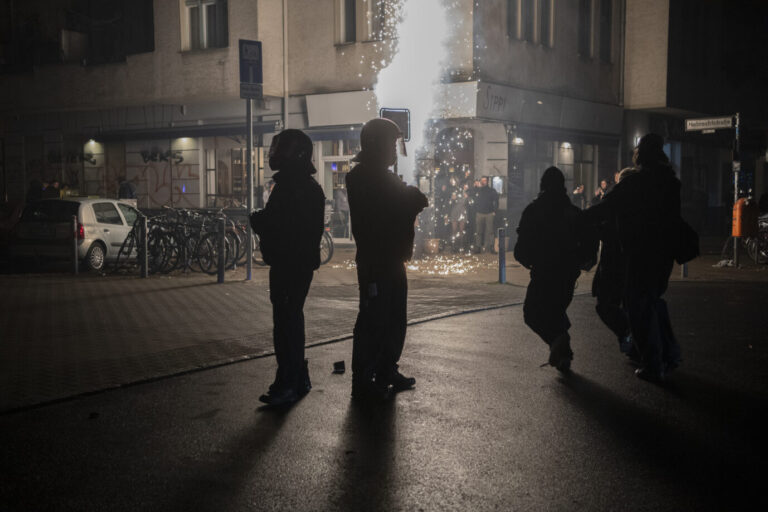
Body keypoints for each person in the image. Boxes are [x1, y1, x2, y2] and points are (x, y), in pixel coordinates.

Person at [585, 134, 682, 382]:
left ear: (642, 154)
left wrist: (578, 218)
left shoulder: (639, 182)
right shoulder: (670, 181)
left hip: (641, 252)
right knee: (652, 301)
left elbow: (606, 206)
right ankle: (669, 355)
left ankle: (652, 362)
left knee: (637, 305)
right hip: (663, 253)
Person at [346, 117, 428, 401]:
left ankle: (385, 369)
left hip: (392, 260)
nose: (395, 150)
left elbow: (412, 200)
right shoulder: (364, 177)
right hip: (376, 262)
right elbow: (407, 201)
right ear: (378, 145)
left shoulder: (380, 176)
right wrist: (407, 198)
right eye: (392, 144)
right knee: (374, 318)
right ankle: (364, 375)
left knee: (394, 318)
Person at [250, 129, 325, 406]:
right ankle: (297, 378)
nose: (276, 154)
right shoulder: (307, 186)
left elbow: (277, 223)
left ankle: (287, 382)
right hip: (299, 264)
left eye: (282, 149)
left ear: (297, 154)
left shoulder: (291, 187)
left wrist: (257, 220)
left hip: (288, 264)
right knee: (291, 320)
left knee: (286, 324)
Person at [515, 166, 597, 372]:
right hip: (567, 272)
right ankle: (563, 354)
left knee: (532, 312)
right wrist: (582, 262)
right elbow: (589, 239)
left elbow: (521, 246)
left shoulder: (534, 211)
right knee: (557, 311)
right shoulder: (572, 212)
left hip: (544, 270)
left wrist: (529, 261)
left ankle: (558, 342)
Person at [591, 167, 638, 359]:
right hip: (634, 262)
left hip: (614, 261)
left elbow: (597, 218)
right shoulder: (645, 203)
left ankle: (630, 338)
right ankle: (633, 344)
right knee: (630, 304)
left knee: (605, 304)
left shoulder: (617, 199)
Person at [474, 176, 498, 253]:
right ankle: (478, 247)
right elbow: (472, 196)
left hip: (489, 213)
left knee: (490, 231)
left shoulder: (492, 191)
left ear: (487, 181)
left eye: (485, 180)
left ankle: (491, 247)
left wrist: (495, 211)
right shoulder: (478, 190)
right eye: (482, 180)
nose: (483, 182)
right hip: (479, 213)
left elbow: (496, 201)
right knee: (478, 231)